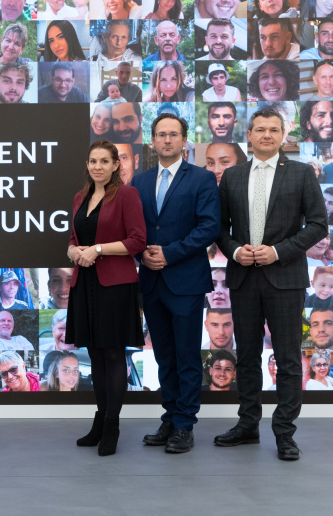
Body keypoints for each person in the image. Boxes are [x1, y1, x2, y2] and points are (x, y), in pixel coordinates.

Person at [215, 108, 327, 460]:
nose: (266, 135)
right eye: (260, 129)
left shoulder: (301, 173)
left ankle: (284, 432)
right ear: (247, 135)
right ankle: (247, 425)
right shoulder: (232, 176)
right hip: (244, 278)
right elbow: (218, 229)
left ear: (283, 136)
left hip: (286, 278)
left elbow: (318, 225)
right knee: (246, 356)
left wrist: (278, 252)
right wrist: (235, 253)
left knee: (290, 359)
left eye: (273, 130)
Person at [129, 114, 219, 454]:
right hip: (151, 280)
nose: (167, 140)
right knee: (164, 356)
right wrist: (143, 257)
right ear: (152, 141)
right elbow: (133, 230)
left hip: (185, 281)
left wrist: (168, 253)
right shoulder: (139, 181)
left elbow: (208, 228)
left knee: (186, 356)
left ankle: (185, 425)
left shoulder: (202, 179)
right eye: (161, 135)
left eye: (173, 135)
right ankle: (169, 417)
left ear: (184, 141)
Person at [67, 139, 146, 456]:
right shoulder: (79, 197)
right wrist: (73, 250)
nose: (97, 166)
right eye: (92, 160)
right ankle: (100, 420)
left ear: (116, 165)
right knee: (95, 356)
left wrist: (97, 250)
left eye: (104, 161)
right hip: (84, 282)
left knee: (113, 356)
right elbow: (74, 239)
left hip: (115, 283)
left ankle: (112, 425)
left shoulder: (127, 194)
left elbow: (137, 240)